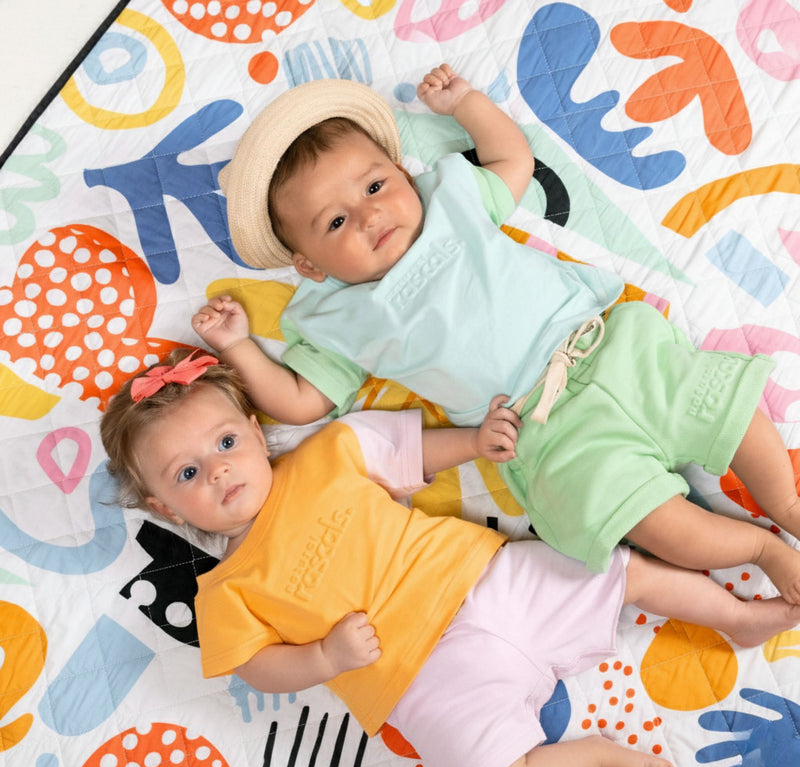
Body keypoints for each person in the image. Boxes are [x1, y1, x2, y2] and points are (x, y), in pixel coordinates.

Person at [194, 64, 800, 605]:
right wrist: (238, 346)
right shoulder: (338, 317)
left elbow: (513, 161)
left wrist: (466, 104)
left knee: (727, 405)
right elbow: (302, 401)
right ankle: (760, 549)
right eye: (335, 221)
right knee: (641, 517)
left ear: (401, 172)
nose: (369, 215)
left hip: (610, 348)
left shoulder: (450, 199)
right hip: (543, 430)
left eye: (374, 187)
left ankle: (788, 506)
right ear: (309, 266)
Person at [101, 348, 800, 767]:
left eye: (226, 442)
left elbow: (409, 451)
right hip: (423, 682)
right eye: (188, 473)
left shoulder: (327, 454)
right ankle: (593, 758)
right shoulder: (222, 592)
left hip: (483, 581)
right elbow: (257, 669)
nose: (220, 470)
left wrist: (475, 441)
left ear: (257, 433)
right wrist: (323, 658)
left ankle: (735, 618)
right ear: (165, 508)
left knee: (629, 573)